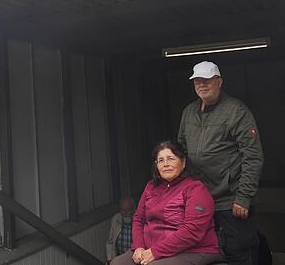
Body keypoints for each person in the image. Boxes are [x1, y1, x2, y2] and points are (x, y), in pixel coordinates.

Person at [177, 61, 264, 265]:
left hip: (231, 201)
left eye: (207, 80)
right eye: (198, 81)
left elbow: (253, 156)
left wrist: (243, 197)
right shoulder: (189, 112)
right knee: (205, 252)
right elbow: (181, 151)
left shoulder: (236, 110)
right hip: (200, 199)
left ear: (219, 82)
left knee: (238, 252)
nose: (202, 85)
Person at [111, 141, 222, 265]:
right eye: (161, 160)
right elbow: (138, 219)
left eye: (171, 158)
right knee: (117, 263)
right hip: (150, 248)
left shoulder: (195, 188)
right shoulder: (151, 187)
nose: (166, 164)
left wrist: (155, 252)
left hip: (193, 250)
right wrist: (139, 247)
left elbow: (192, 231)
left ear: (183, 162)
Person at [106, 195, 136, 263]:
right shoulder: (115, 219)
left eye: (128, 210)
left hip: (134, 259)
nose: (125, 213)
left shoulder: (139, 219)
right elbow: (110, 242)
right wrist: (110, 259)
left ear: (133, 209)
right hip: (119, 258)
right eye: (123, 210)